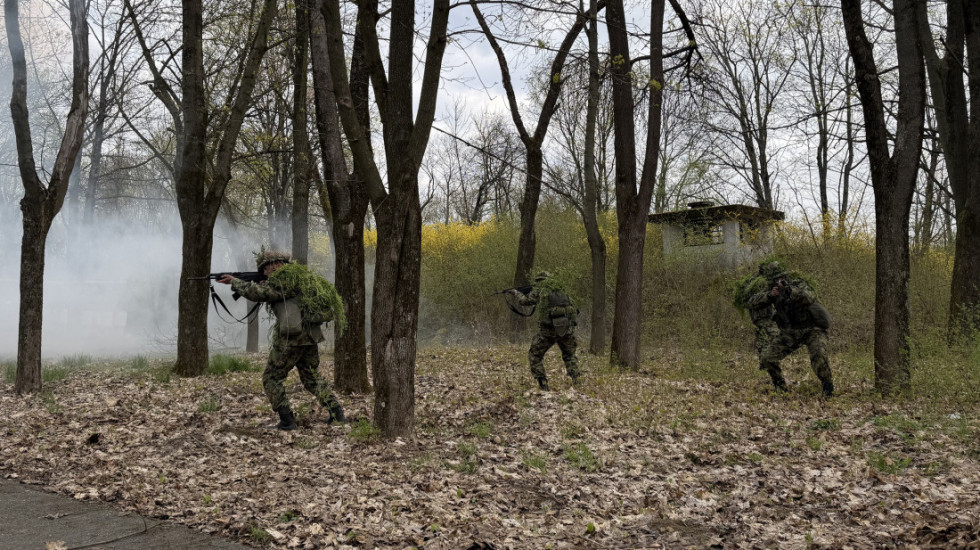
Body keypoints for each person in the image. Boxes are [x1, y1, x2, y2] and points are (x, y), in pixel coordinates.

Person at [218, 250, 346, 430]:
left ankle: (287, 421)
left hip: (292, 339)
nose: (264, 273)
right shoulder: (300, 279)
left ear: (275, 264)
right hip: (309, 337)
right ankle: (337, 414)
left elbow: (259, 294)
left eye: (265, 268)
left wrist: (234, 282)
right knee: (312, 378)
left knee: (271, 378)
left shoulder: (284, 279)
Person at [753, 260, 835, 397]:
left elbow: (810, 297)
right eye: (776, 279)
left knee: (819, 355)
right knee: (767, 357)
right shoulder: (771, 290)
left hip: (812, 329)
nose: (779, 281)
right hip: (790, 333)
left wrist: (790, 290)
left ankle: (828, 389)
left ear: (786, 276)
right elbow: (752, 302)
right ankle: (781, 388)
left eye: (782, 278)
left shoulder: (799, 283)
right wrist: (769, 296)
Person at [510, 271, 580, 390]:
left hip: (549, 331)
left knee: (535, 355)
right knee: (569, 355)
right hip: (567, 330)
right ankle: (577, 381)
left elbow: (525, 301)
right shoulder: (561, 290)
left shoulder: (540, 290)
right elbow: (575, 308)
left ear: (539, 281)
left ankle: (543, 384)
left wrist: (516, 293)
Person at [733, 271, 780, 367]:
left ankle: (764, 364)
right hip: (762, 318)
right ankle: (767, 364)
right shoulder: (757, 285)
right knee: (770, 340)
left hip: (763, 318)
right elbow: (753, 302)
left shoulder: (760, 283)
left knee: (763, 341)